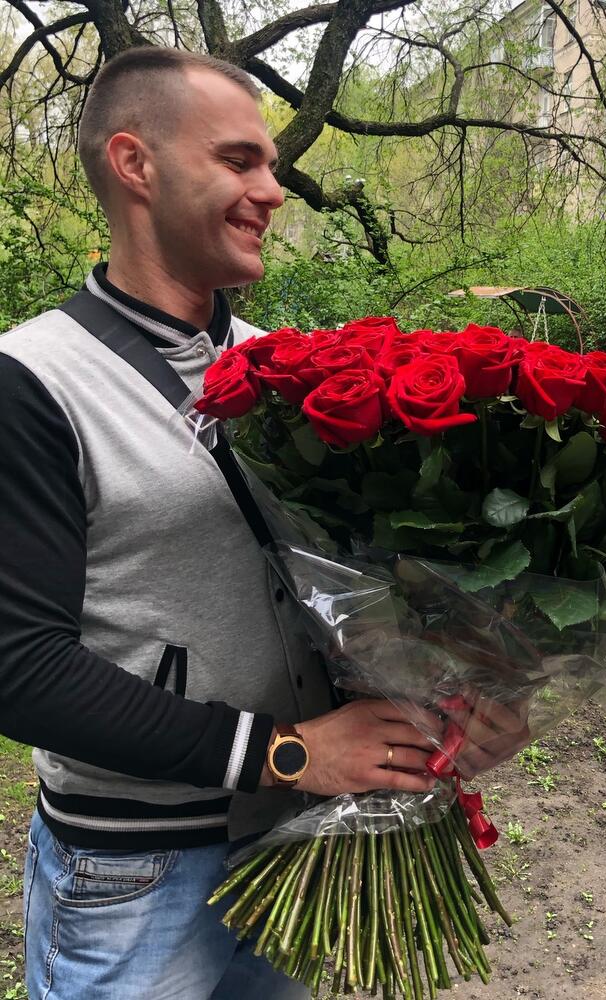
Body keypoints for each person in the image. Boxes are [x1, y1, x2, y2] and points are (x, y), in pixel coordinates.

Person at [0, 46, 443, 999]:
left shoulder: (290, 366)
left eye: (272, 165)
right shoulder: (31, 382)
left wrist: (449, 693)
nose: (274, 191)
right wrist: (290, 751)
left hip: (298, 842)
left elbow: (350, 578)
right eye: (240, 161)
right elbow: (17, 669)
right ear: (135, 163)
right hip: (135, 874)